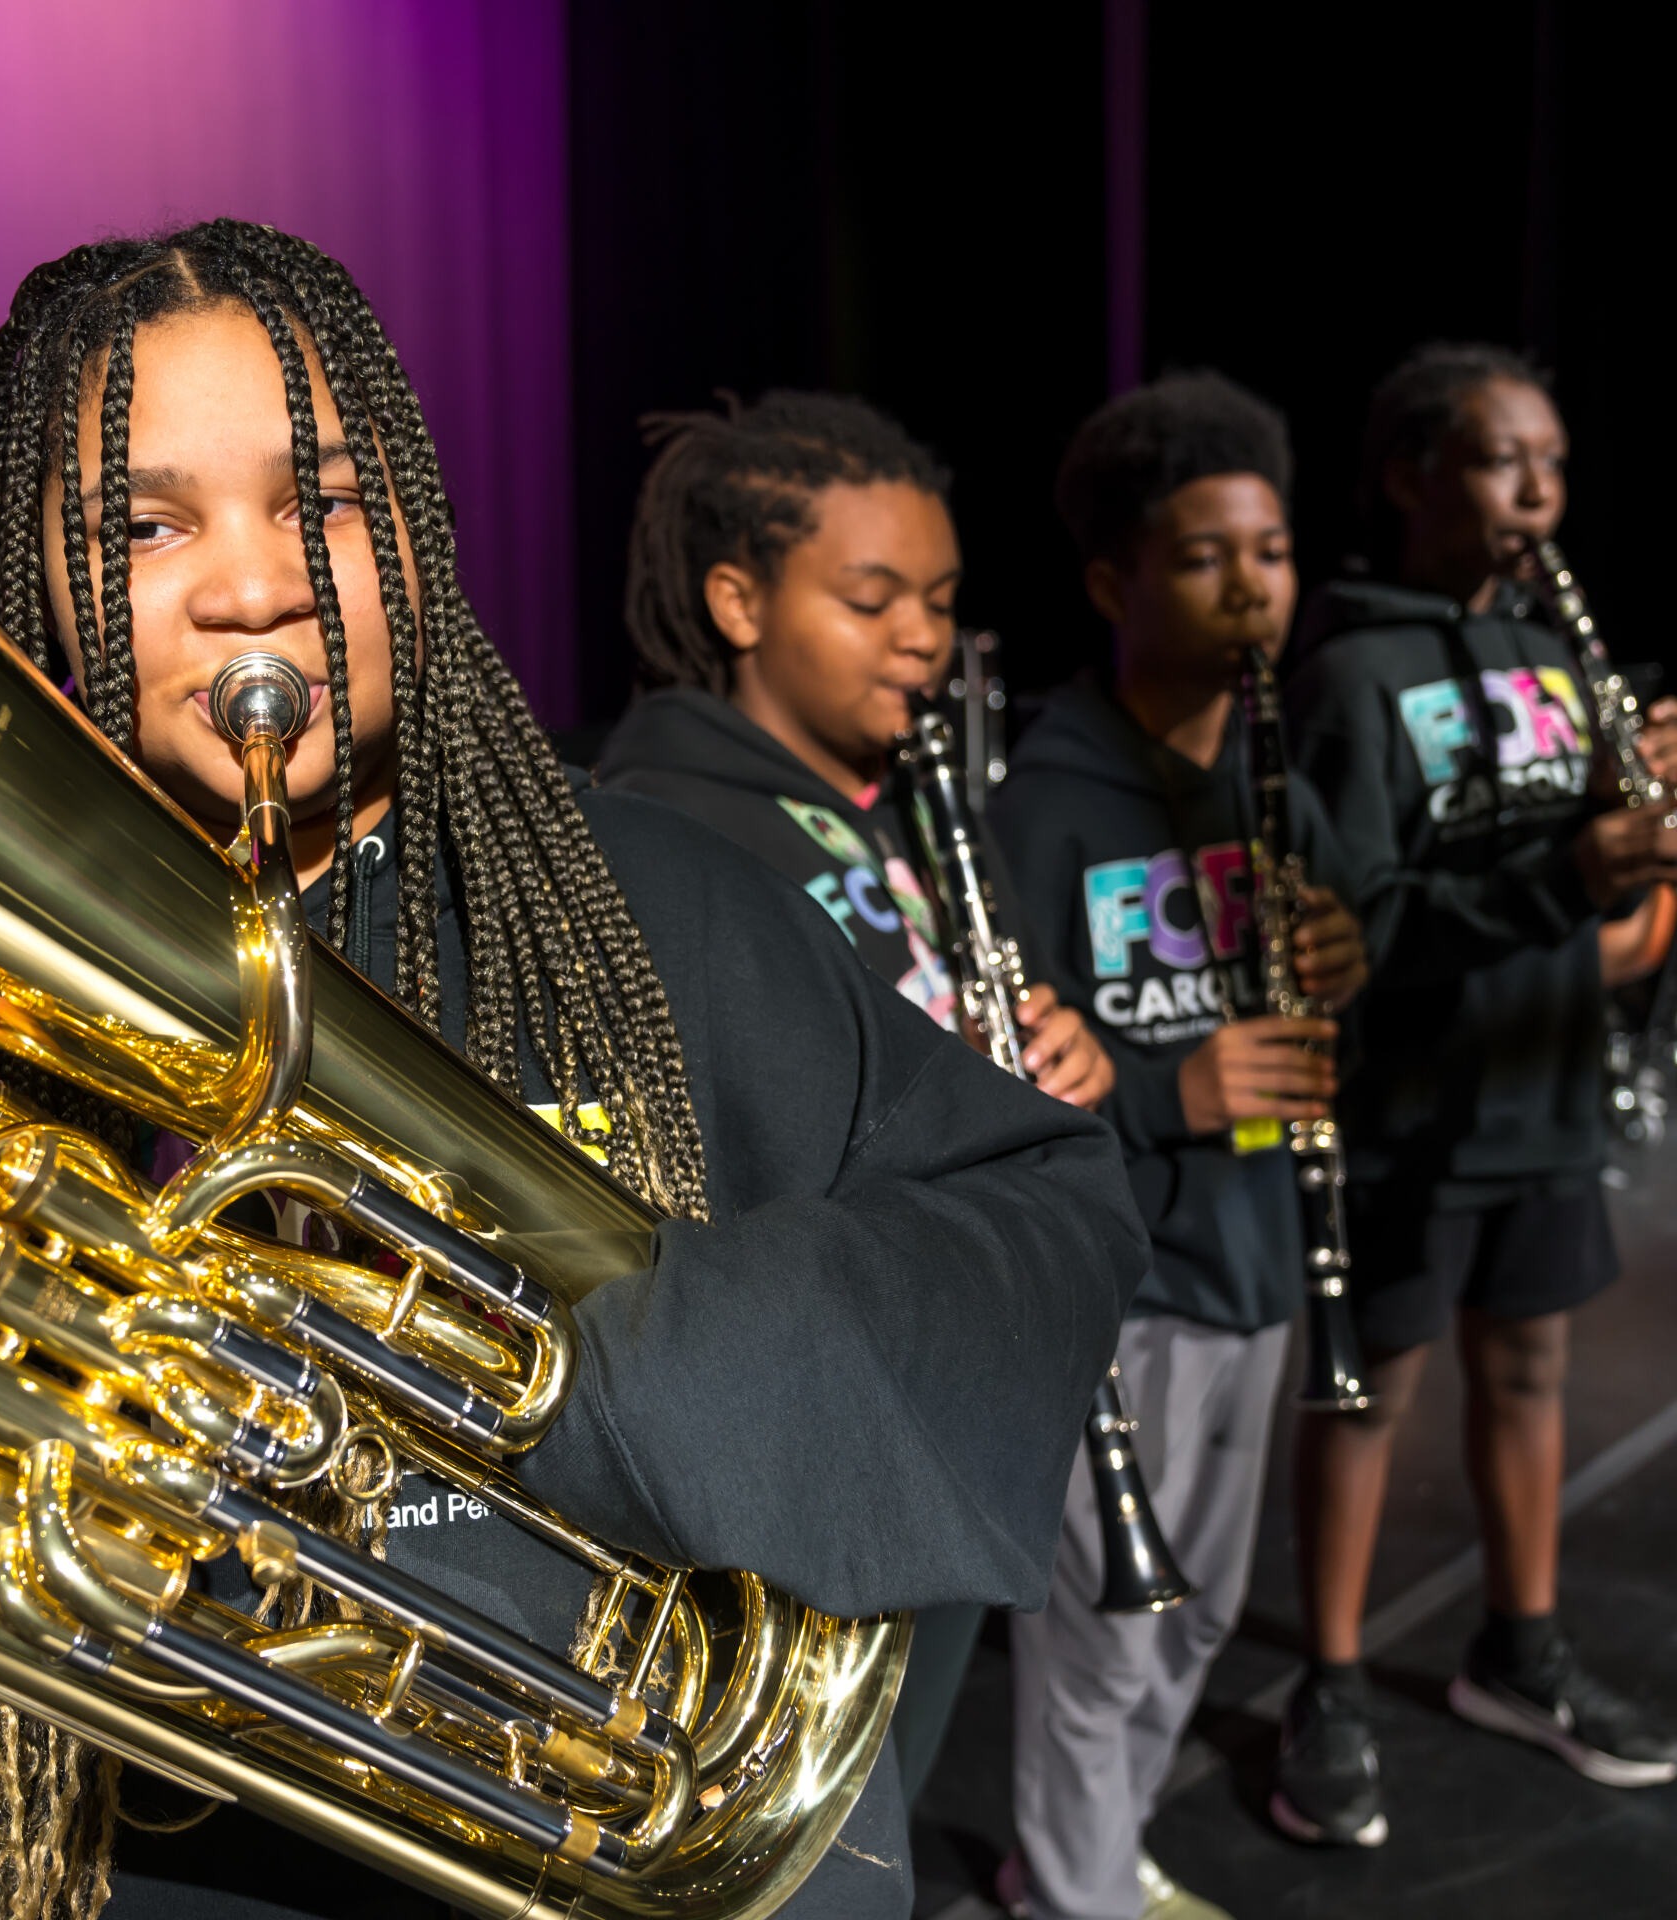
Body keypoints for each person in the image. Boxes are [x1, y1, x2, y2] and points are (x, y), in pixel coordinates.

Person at [0, 220, 1146, 1920]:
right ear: (41, 581)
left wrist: (609, 1381)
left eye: (318, 500)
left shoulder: (656, 901)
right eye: (143, 524)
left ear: (412, 523)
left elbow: (1031, 1223)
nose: (251, 585)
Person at [596, 389, 1115, 1808]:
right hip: (805, 1429)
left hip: (928, 1369)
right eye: (874, 597)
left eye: (941, 601)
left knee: (886, 1791)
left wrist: (1047, 1057)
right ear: (737, 600)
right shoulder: (664, 828)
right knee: (793, 1816)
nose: (923, 639)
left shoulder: (910, 801)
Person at [1269, 342, 1677, 1849]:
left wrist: (1644, 829)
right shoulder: (1348, 673)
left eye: (1557, 465)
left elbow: (1596, 884)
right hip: (1410, 1102)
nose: (1540, 494)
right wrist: (1567, 871)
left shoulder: (1561, 654)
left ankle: (1519, 1647)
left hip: (1548, 1088)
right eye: (1506, 460)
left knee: (1530, 1373)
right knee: (1367, 1391)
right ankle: (1326, 1679)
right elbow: (1364, 928)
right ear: (1410, 477)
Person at [982, 373, 1369, 1920]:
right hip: (1128, 1276)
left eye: (1271, 552)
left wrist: (1346, 962)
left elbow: (1332, 1012)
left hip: (1263, 1255)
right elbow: (1010, 1076)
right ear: (1112, 584)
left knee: (1198, 1621)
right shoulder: (1040, 809)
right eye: (1206, 556)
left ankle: (1096, 1855)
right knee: (1102, 1633)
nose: (1251, 586)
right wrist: (1171, 1093)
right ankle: (1068, 1890)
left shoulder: (1275, 780)